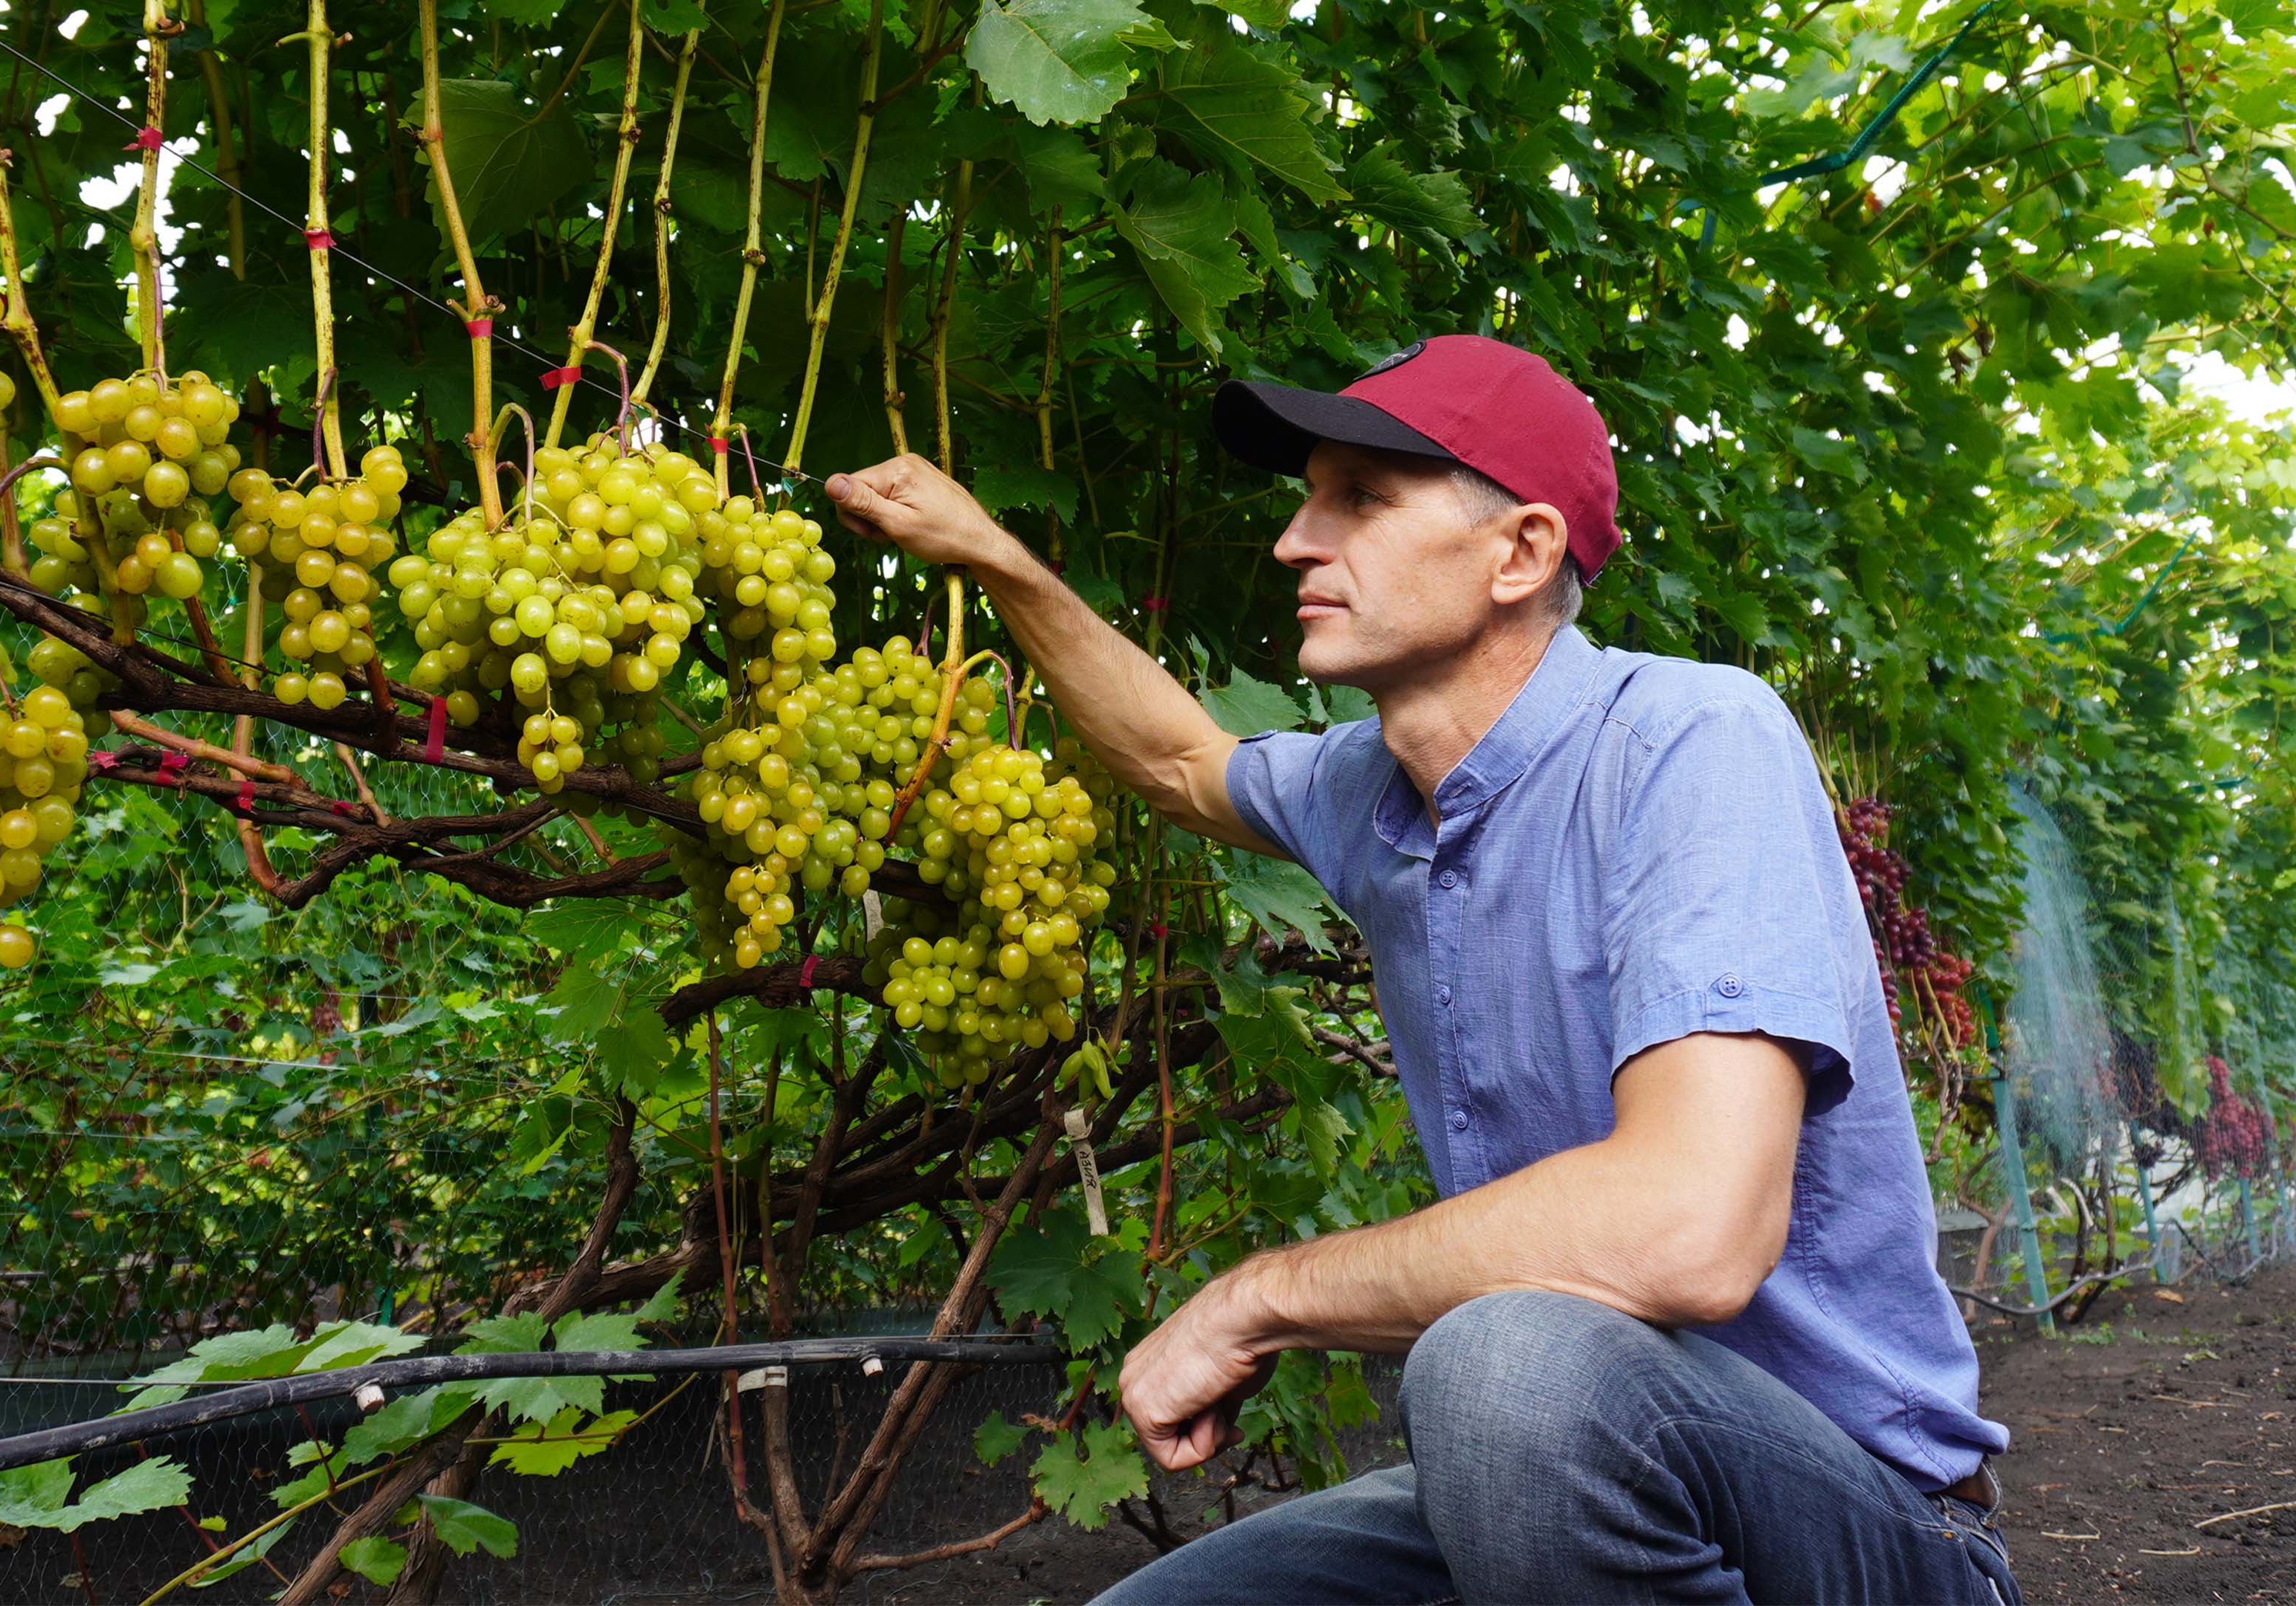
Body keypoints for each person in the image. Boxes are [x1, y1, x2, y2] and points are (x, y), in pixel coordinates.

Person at [823, 335, 2017, 1606]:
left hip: (1863, 1524)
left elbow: (1689, 1233)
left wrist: (1260, 1299)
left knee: (1506, 1364)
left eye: (1362, 499)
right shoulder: (1368, 790)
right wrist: (1000, 562)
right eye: (1306, 495)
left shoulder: (1690, 741)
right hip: (1561, 1474)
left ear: (1523, 553)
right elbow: (1178, 760)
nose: (1295, 539)